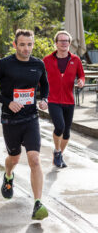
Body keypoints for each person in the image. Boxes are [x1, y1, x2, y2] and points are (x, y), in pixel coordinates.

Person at [0, 29, 49, 220]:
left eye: (29, 44)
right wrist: (7, 102)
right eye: (22, 44)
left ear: (33, 44)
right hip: (10, 120)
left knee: (35, 159)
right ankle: (9, 175)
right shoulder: (4, 64)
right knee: (14, 158)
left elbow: (45, 84)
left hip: (31, 118)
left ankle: (38, 203)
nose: (26, 48)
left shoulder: (38, 64)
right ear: (15, 45)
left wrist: (44, 98)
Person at [43, 31, 85, 168]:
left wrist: (81, 81)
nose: (64, 43)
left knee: (66, 132)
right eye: (61, 41)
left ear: (69, 43)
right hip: (53, 99)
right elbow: (40, 79)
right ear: (56, 43)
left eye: (66, 41)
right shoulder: (47, 60)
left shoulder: (75, 60)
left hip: (69, 100)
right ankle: (57, 150)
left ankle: (59, 154)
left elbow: (82, 76)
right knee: (59, 127)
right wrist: (42, 96)